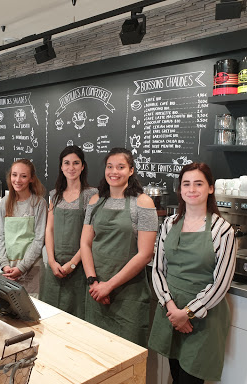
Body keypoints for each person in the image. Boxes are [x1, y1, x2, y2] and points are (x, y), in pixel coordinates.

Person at [149, 162, 236, 384]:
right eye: (186, 184)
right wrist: (172, 309)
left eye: (199, 183)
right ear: (180, 189)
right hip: (171, 311)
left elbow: (221, 284)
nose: (192, 189)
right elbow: (159, 270)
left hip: (203, 319)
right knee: (175, 374)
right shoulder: (168, 224)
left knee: (190, 379)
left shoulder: (222, 230)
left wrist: (186, 313)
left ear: (210, 188)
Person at [80, 147, 158, 347]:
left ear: (131, 171)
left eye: (121, 167)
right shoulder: (96, 201)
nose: (114, 172)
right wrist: (93, 282)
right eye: (110, 167)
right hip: (95, 292)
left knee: (127, 357)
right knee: (95, 353)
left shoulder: (143, 203)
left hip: (128, 296)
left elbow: (145, 254)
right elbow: (85, 243)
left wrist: (109, 286)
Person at [39, 145, 97, 319]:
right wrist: (51, 260)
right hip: (55, 267)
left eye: (76, 163)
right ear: (61, 166)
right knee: (50, 315)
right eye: (67, 163)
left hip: (79, 267)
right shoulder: (55, 195)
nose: (71, 167)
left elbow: (92, 235)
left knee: (76, 317)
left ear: (83, 166)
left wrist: (72, 264)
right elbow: (49, 229)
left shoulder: (91, 195)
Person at [0, 159, 47, 297]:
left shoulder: (39, 203)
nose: (17, 180)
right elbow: (0, 236)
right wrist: (5, 265)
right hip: (8, 268)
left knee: (30, 310)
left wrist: (21, 267)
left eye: (23, 176)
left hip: (31, 268)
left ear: (31, 179)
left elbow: (39, 240)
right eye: (14, 175)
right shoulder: (4, 203)